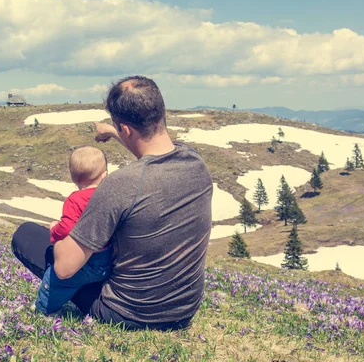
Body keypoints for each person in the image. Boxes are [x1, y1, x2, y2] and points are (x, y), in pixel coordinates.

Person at [12, 76, 213, 330]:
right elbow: (152, 153)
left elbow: (64, 268)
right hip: (183, 312)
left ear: (126, 129)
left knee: (27, 235)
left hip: (126, 313)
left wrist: (58, 234)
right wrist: (112, 132)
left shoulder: (120, 185)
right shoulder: (196, 163)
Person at [35, 146, 111, 314]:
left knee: (56, 278)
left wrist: (54, 229)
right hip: (109, 259)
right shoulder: (109, 196)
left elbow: (68, 227)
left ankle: (44, 310)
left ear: (73, 177)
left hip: (88, 261)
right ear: (104, 175)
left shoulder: (75, 200)